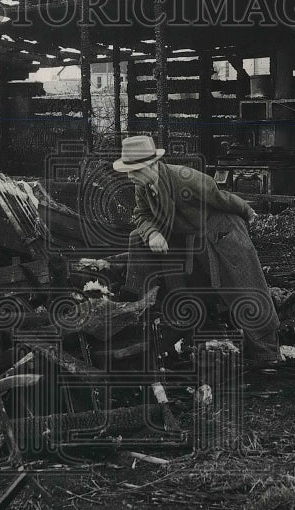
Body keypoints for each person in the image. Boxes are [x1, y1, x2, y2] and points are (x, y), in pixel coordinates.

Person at [112, 135, 280, 368]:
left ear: (151, 166)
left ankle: (268, 355)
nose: (129, 176)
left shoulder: (186, 179)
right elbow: (141, 215)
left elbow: (223, 198)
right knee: (139, 241)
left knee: (244, 287)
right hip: (187, 236)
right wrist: (153, 234)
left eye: (134, 170)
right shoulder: (143, 186)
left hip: (221, 230)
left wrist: (249, 213)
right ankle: (139, 311)